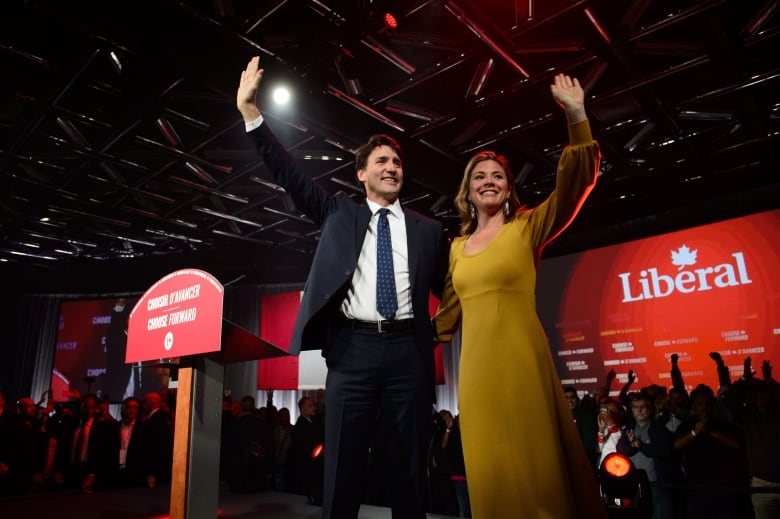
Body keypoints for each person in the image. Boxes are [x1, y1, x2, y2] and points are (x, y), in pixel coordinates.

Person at [236, 56, 448, 519]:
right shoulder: (338, 211)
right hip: (352, 352)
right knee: (343, 465)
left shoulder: (429, 230)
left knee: (409, 469)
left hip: (408, 355)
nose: (391, 167)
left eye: (396, 161)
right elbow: (288, 176)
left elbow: (454, 288)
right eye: (381, 161)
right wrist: (253, 115)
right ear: (361, 174)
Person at [433, 73, 607, 518]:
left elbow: (573, 187)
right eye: (479, 177)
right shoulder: (454, 250)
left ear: (509, 188)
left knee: (536, 471)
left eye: (497, 176)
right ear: (467, 191)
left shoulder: (527, 227)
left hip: (522, 364)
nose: (488, 181)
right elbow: (445, 322)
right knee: (491, 473)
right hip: (476, 377)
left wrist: (576, 115)